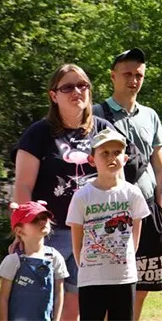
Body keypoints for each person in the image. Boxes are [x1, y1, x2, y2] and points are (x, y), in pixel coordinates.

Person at [13, 64, 113, 321]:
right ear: (53, 95)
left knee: (76, 303)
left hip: (93, 231)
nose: (77, 91)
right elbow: (23, 185)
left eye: (82, 85)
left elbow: (117, 181)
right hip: (49, 232)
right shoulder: (38, 133)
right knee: (41, 302)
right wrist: (25, 230)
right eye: (67, 87)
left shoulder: (103, 130)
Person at [93, 47, 162, 320]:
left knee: (143, 283)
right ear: (113, 76)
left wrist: (161, 208)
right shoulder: (96, 114)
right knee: (109, 281)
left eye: (138, 75)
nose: (133, 80)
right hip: (111, 212)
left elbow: (160, 166)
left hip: (147, 208)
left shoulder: (151, 115)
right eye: (127, 74)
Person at [66, 128, 151, 321]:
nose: (111, 157)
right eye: (104, 153)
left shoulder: (132, 193)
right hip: (92, 278)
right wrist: (90, 266)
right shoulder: (82, 196)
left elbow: (135, 238)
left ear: (125, 158)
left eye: (116, 153)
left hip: (124, 277)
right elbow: (77, 243)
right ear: (92, 159)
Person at [0, 201, 68, 321]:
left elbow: (59, 294)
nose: (42, 221)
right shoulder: (13, 260)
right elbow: (3, 298)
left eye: (44, 217)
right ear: (19, 231)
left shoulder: (55, 257)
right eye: (34, 219)